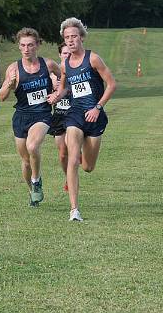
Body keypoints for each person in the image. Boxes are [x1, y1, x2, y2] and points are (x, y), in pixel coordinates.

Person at [48, 17, 117, 222]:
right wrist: (57, 96)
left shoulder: (93, 59)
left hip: (94, 115)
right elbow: (64, 88)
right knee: (72, 158)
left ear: (81, 37)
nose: (70, 40)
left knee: (87, 166)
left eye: (74, 36)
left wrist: (97, 107)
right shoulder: (65, 64)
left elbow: (112, 84)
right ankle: (74, 210)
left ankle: (79, 162)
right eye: (67, 37)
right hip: (75, 114)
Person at [0, 28, 62, 208]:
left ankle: (36, 181)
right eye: (23, 45)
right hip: (21, 116)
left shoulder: (48, 64)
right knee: (26, 161)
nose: (27, 49)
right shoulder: (14, 69)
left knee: (33, 146)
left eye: (30, 45)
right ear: (19, 47)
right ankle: (32, 190)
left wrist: (57, 92)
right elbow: (1, 96)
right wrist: (9, 85)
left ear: (38, 45)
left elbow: (63, 77)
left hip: (42, 115)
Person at [48, 43, 72, 191]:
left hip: (74, 114)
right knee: (63, 155)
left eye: (69, 53)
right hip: (58, 115)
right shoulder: (52, 74)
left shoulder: (78, 70)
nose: (67, 55)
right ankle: (68, 179)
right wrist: (52, 88)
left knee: (71, 145)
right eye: (64, 53)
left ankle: (78, 153)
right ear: (60, 55)